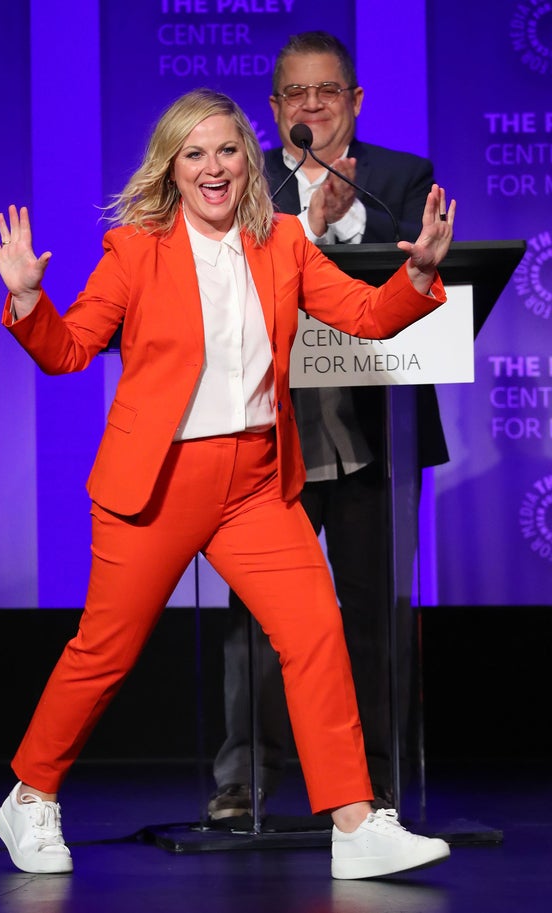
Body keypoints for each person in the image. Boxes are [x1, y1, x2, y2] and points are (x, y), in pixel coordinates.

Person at [0, 87, 455, 880]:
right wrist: (29, 299)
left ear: (250, 158)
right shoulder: (136, 249)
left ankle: (353, 820)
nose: (214, 167)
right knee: (105, 650)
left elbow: (368, 316)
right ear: (172, 168)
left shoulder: (286, 245)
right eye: (195, 153)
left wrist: (419, 273)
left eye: (228, 151)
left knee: (313, 629)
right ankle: (29, 795)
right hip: (158, 481)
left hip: (253, 481)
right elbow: (68, 351)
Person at [209, 31, 450, 822]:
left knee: (375, 615)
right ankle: (245, 779)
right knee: (254, 623)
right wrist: (310, 224)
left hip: (375, 437)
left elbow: (415, 266)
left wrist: (342, 228)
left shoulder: (400, 177)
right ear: (275, 109)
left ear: (354, 100)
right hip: (270, 440)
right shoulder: (245, 184)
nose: (312, 105)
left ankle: (375, 784)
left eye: (328, 91)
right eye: (296, 95)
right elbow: (236, 267)